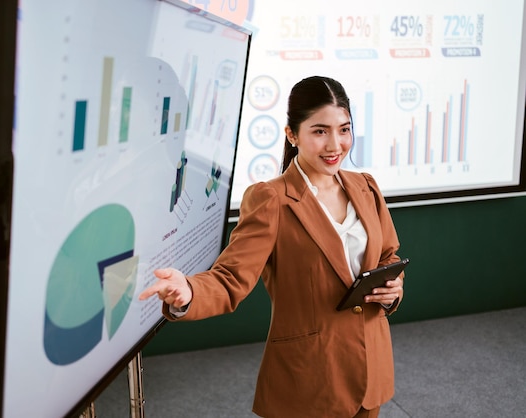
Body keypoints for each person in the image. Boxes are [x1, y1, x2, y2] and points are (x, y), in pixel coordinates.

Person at [139, 76, 404, 418]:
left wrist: (393, 289)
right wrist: (188, 291)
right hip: (311, 377)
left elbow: (388, 257)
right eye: (319, 131)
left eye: (344, 129)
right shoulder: (271, 199)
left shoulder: (366, 186)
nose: (335, 144)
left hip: (371, 368)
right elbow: (231, 278)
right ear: (292, 135)